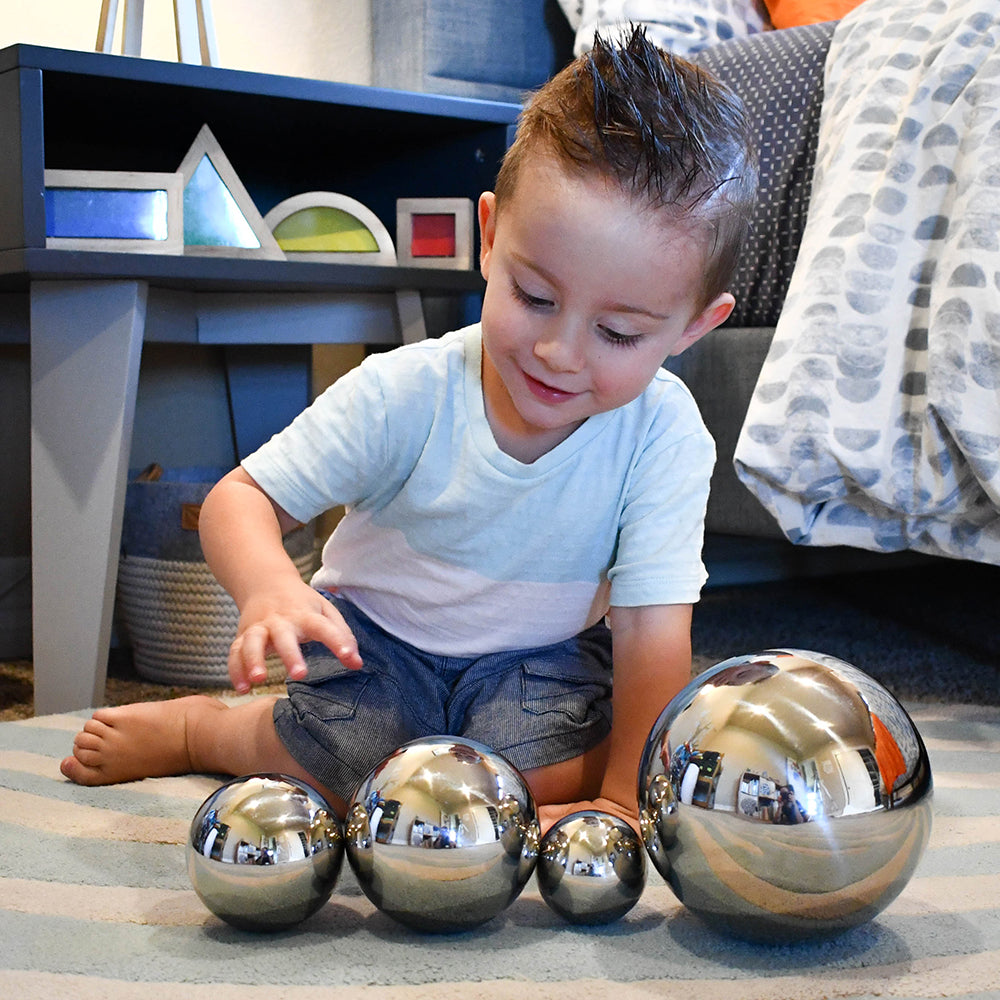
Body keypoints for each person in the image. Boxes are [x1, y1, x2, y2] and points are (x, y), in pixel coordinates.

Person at [60, 26, 758, 833]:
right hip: (376, 646)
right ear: (491, 240)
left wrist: (625, 802)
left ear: (691, 329)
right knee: (332, 778)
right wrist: (272, 589)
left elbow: (651, 629)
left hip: (539, 666)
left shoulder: (664, 433)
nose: (559, 353)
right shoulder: (409, 390)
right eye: (536, 297)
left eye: (620, 334)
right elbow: (239, 500)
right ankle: (209, 728)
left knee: (546, 779)